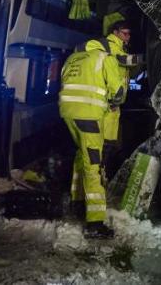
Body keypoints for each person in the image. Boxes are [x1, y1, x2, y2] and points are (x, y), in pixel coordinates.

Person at [59, 42, 126, 239]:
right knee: (94, 165)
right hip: (89, 116)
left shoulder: (72, 59)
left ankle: (77, 202)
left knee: (82, 154)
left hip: (68, 114)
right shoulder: (105, 58)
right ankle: (95, 222)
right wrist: (112, 104)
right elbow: (119, 93)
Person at [83, 20, 134, 144]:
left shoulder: (119, 45)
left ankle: (104, 155)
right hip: (108, 98)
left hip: (114, 97)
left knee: (106, 134)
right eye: (125, 34)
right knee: (102, 138)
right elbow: (125, 60)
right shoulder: (110, 45)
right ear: (115, 32)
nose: (128, 37)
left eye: (129, 34)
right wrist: (148, 58)